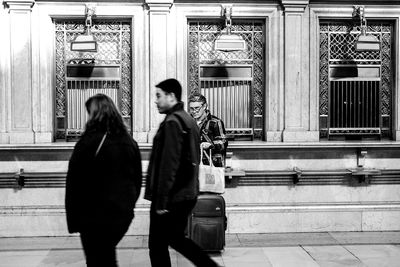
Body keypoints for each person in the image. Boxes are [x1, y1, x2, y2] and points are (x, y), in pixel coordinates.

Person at [145, 78, 219, 267]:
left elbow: (168, 165)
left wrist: (161, 200)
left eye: (159, 96)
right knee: (175, 239)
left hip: (172, 196)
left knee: (157, 244)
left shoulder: (173, 122)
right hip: (186, 193)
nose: (156, 100)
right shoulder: (187, 119)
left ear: (171, 96)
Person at [65, 94, 142, 267]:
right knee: (106, 257)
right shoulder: (129, 141)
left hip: (94, 216)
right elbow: (137, 179)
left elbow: (74, 182)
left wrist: (75, 219)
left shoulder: (89, 141)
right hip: (121, 215)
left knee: (97, 260)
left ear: (95, 114)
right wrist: (128, 206)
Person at [189, 93, 228, 167]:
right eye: (191, 108)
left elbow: (223, 143)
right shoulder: (188, 122)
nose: (194, 111)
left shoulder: (215, 122)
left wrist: (211, 145)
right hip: (193, 164)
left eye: (197, 108)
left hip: (212, 164)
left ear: (204, 106)